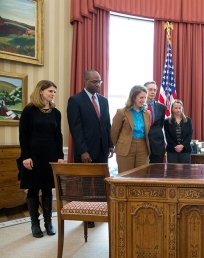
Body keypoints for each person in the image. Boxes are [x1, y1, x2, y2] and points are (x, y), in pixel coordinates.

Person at [67, 70, 114, 228]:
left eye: (99, 81)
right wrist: (83, 150)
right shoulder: (75, 100)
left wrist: (110, 144)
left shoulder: (104, 100)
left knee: (101, 182)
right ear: (85, 81)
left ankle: (100, 211)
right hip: (86, 150)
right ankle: (87, 215)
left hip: (101, 149)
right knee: (86, 184)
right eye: (94, 82)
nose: (98, 84)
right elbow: (75, 128)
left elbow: (107, 124)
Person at [19, 80, 64, 238]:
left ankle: (48, 222)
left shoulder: (56, 113)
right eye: (50, 91)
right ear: (41, 91)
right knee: (33, 188)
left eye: (54, 92)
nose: (53, 94)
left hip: (50, 155)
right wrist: (26, 156)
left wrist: (60, 156)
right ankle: (34, 224)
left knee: (47, 188)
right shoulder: (29, 110)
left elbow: (58, 136)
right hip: (33, 155)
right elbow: (23, 135)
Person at [111, 85, 151, 173]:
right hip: (126, 147)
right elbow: (114, 132)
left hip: (143, 146)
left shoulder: (147, 113)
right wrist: (120, 144)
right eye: (141, 97)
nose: (143, 100)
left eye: (145, 97)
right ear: (133, 97)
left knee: (142, 175)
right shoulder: (122, 112)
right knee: (125, 175)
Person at [144, 81, 166, 163]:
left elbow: (160, 125)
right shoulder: (139, 106)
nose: (153, 92)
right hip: (142, 143)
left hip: (157, 144)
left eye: (154, 90)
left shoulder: (162, 107)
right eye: (150, 89)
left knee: (157, 171)